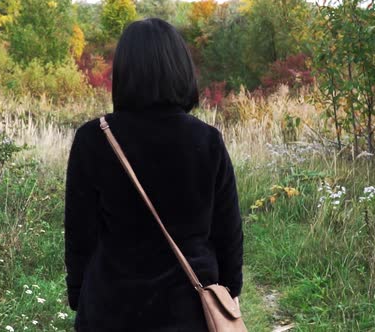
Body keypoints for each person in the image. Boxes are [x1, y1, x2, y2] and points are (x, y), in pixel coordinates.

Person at [64, 17, 243, 331]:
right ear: (180, 69)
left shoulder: (93, 140)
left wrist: (79, 295)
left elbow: (80, 234)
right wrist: (228, 291)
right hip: (188, 312)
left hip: (111, 310)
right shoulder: (207, 141)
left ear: (124, 73)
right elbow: (227, 232)